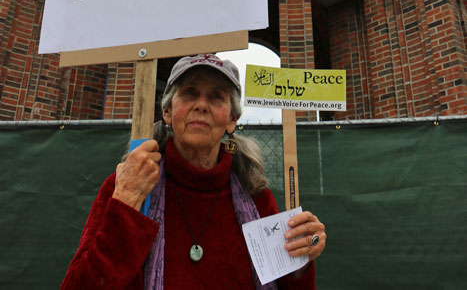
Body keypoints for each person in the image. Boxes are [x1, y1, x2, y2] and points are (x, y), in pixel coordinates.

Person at [61, 53, 326, 289]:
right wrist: (126, 205)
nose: (201, 105)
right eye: (189, 92)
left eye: (216, 96)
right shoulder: (127, 186)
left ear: (232, 120)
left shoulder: (257, 198)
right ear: (167, 112)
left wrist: (300, 259)